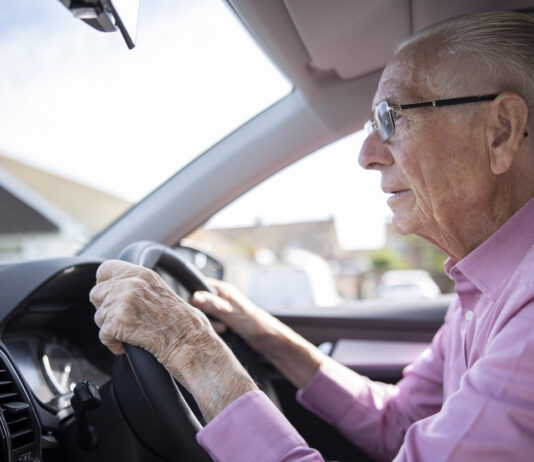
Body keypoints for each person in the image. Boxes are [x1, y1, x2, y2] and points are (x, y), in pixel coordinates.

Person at [89, 11, 534, 462]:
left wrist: (193, 351)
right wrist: (263, 332)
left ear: (500, 133)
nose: (367, 155)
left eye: (390, 118)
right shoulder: (484, 286)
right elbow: (396, 420)